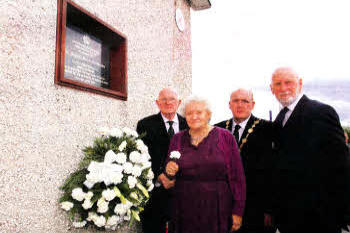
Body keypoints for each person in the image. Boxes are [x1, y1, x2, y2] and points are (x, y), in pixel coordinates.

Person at [269, 67, 349, 233]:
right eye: (278, 84)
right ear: (272, 89)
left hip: (319, 216)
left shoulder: (321, 112)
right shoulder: (278, 120)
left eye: (288, 82)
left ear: (300, 84)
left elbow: (341, 164)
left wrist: (342, 213)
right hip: (288, 217)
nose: (283, 88)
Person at [163, 95, 246, 233]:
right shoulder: (177, 139)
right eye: (189, 113)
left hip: (217, 208)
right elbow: (168, 175)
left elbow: (237, 178)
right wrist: (169, 172)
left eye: (199, 112)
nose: (194, 116)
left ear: (208, 114)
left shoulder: (225, 137)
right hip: (183, 209)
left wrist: (238, 211)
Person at [215, 88, 275, 233]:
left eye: (245, 101)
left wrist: (270, 209)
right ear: (229, 104)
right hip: (224, 206)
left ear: (252, 104)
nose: (240, 105)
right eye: (236, 101)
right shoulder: (217, 129)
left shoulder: (268, 129)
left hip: (256, 207)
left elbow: (274, 172)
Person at [136, 88, 188, 233]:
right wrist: (159, 175)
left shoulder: (189, 125)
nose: (168, 102)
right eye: (163, 99)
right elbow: (141, 156)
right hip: (156, 193)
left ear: (179, 102)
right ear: (157, 103)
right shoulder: (145, 125)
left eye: (172, 99)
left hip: (184, 194)